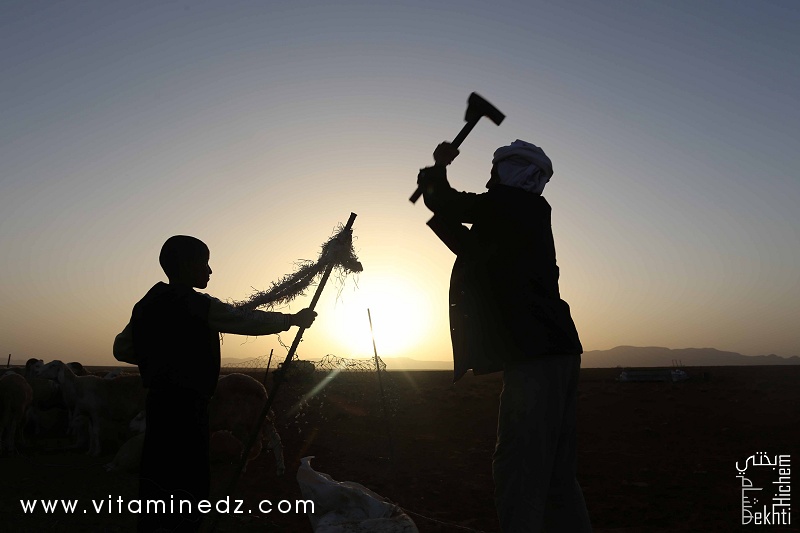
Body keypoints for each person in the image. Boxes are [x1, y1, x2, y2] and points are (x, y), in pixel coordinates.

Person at [416, 140, 591, 532]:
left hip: (536, 358)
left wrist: (438, 166)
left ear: (508, 173)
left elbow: (444, 201)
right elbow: (477, 250)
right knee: (557, 477)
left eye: (495, 171)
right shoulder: (525, 216)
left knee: (519, 469)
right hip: (557, 351)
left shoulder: (509, 206)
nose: (490, 179)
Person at [113, 235, 317, 532]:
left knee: (158, 468)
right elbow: (243, 320)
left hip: (158, 403)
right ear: (185, 266)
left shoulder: (146, 304)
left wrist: (160, 357)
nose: (209, 272)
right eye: (204, 264)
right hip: (189, 406)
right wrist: (290, 319)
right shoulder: (198, 304)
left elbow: (122, 349)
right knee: (189, 472)